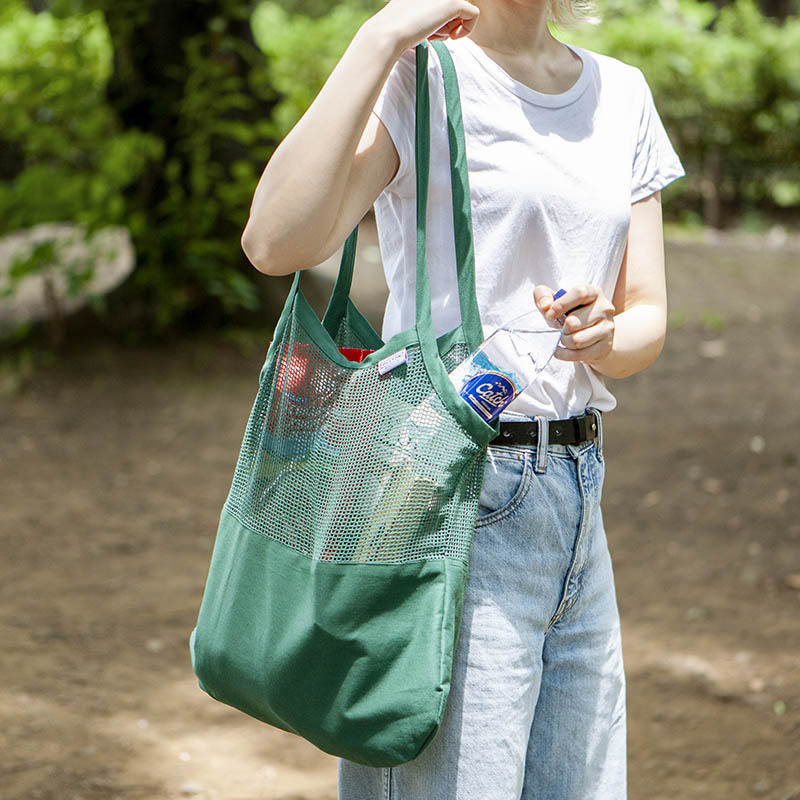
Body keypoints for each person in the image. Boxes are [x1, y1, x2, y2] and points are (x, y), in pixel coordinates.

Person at [241, 0, 684, 797]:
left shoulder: (622, 94)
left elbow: (646, 314)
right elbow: (276, 242)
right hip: (447, 485)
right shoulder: (418, 77)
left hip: (577, 494)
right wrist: (379, 36)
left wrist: (604, 335)